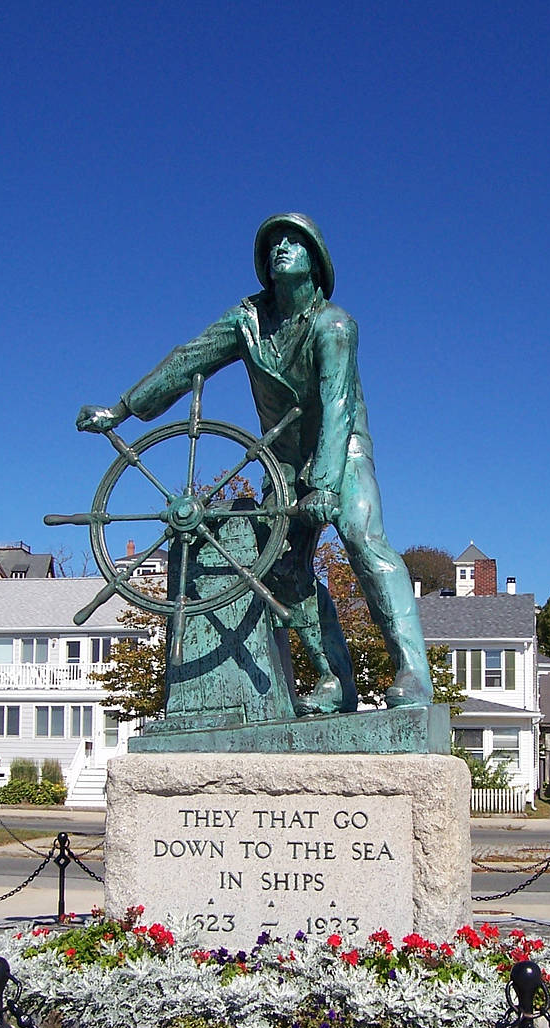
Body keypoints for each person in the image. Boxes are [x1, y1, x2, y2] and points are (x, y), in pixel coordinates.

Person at [77, 213, 433, 713]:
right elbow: (188, 360)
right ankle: (335, 682)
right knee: (283, 569)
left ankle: (413, 673)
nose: (281, 248)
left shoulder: (334, 326)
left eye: (294, 241)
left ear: (317, 260)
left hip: (343, 449)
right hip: (284, 460)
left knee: (361, 536)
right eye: (274, 243)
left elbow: (337, 404)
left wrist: (326, 486)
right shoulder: (248, 320)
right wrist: (123, 409)